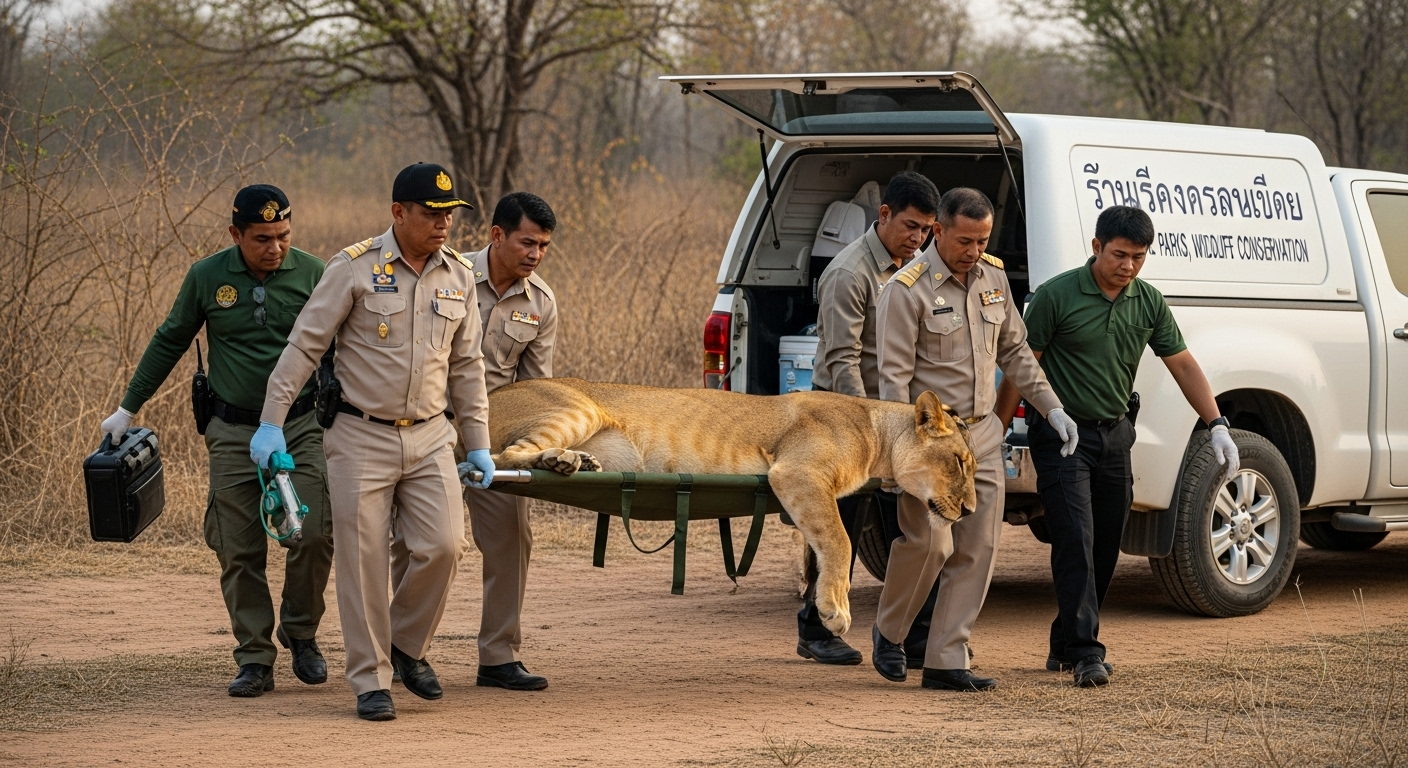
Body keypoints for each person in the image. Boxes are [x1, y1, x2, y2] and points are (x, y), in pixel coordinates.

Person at [252, 163, 497, 721]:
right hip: (361, 434)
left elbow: (467, 366)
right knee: (362, 561)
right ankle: (370, 680)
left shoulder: (459, 275)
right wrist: (271, 421)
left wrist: (477, 440)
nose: (443, 224)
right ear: (398, 213)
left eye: (449, 215)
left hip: (431, 436)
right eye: (431, 214)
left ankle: (405, 645)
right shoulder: (354, 267)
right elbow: (304, 346)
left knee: (444, 546)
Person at [99, 185, 334, 698]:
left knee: (314, 533)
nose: (276, 248)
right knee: (237, 546)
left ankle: (301, 632)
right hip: (232, 430)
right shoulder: (207, 277)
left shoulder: (315, 273)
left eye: (283, 236)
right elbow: (170, 339)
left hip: (299, 425)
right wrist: (127, 407)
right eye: (262, 239)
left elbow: (344, 345)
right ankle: (255, 656)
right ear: (235, 234)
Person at [995, 205, 1239, 687]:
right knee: (1075, 539)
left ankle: (1065, 641)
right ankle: (1087, 652)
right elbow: (1021, 369)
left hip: (1115, 436)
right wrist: (994, 433)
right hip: (1061, 436)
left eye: (1139, 257)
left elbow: (1182, 364)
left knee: (1106, 543)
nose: (1129, 266)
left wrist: (1217, 423)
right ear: (1096, 247)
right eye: (1120, 255)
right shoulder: (1055, 296)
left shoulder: (1147, 301)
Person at [872, 187, 1079, 692]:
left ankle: (946, 658)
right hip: (930, 440)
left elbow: (1016, 351)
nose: (974, 250)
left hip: (982, 435)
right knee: (931, 544)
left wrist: (1052, 407)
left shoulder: (993, 278)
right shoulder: (906, 290)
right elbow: (893, 381)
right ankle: (890, 631)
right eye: (965, 240)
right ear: (938, 231)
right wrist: (898, 456)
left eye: (983, 240)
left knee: (978, 548)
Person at [391, 192, 558, 691]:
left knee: (512, 538)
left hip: (493, 437)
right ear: (497, 235)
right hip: (430, 428)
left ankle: (499, 657)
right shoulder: (449, 274)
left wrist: (527, 449)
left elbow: (535, 390)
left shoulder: (541, 303)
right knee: (415, 543)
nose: (535, 254)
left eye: (543, 246)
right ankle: (403, 649)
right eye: (527, 243)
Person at [803, 171, 940, 667]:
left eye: (926, 229)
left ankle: (916, 635)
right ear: (884, 215)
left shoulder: (916, 267)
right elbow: (843, 361)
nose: (918, 237)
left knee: (917, 525)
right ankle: (815, 629)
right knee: (841, 524)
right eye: (910, 226)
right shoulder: (850, 273)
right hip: (845, 416)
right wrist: (870, 434)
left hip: (894, 415)